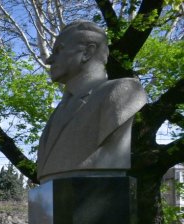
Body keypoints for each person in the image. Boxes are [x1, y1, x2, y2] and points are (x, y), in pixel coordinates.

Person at [36, 21, 147, 182]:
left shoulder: (123, 92)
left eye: (59, 50)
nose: (49, 60)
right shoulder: (59, 110)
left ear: (88, 52)